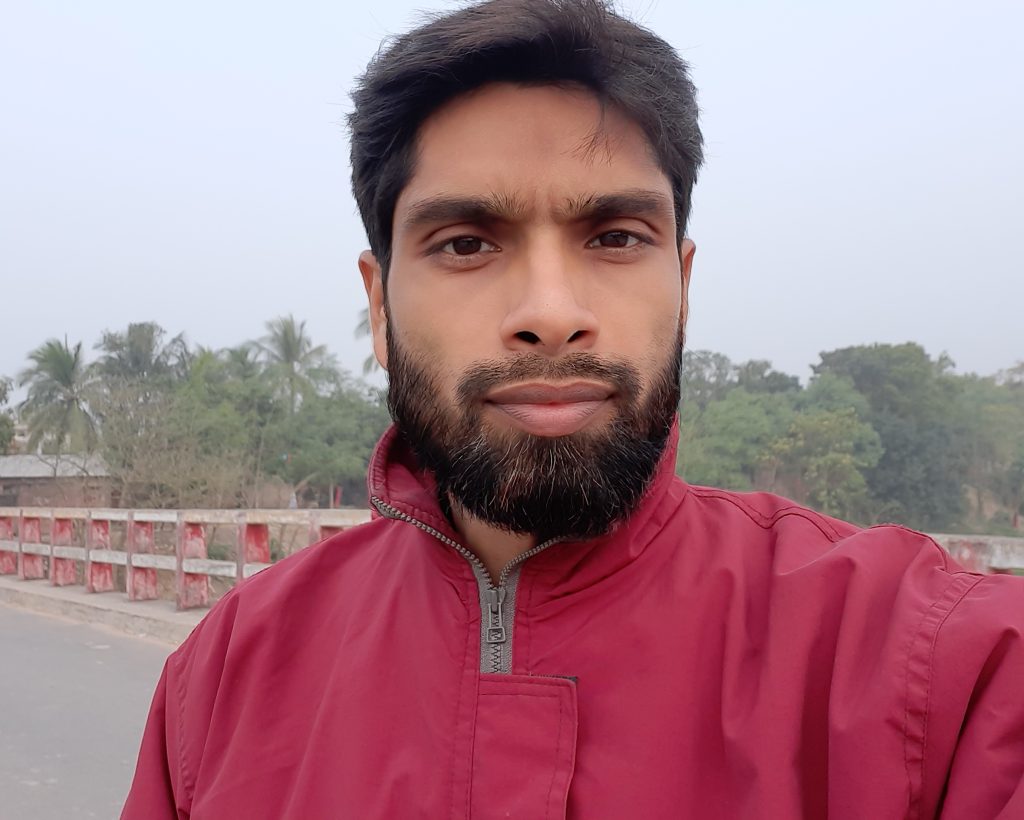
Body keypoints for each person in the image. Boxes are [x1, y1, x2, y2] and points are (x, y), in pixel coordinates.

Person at [122, 1, 1024, 817]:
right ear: (381, 305)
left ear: (683, 281)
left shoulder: (935, 668)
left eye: (617, 237)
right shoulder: (227, 676)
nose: (551, 312)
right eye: (466, 242)